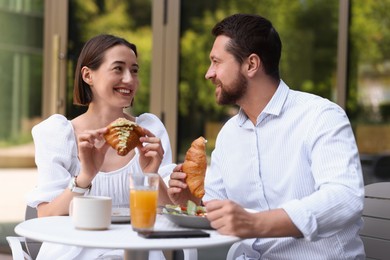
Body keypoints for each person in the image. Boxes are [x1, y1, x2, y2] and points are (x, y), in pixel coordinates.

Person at [168, 14, 365, 259]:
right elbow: (216, 209)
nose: (209, 74)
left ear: (251, 64)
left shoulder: (321, 116)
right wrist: (192, 201)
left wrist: (255, 223)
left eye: (216, 62)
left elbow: (344, 199)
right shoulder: (229, 133)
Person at [27, 34, 174, 259]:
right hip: (74, 252)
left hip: (137, 253)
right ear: (88, 75)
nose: (129, 79)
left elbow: (170, 215)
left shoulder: (149, 130)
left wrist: (151, 175)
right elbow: (46, 216)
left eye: (134, 70)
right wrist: (86, 176)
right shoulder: (59, 134)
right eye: (118, 69)